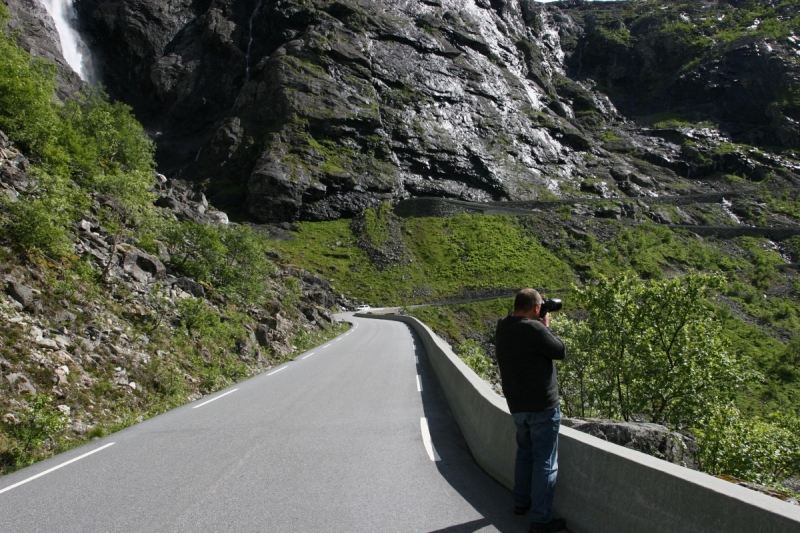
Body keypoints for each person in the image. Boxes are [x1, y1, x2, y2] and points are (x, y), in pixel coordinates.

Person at [495, 289, 567, 533]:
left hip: (517, 406)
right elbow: (560, 350)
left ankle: (520, 503)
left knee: (525, 454)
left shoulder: (503, 326)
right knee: (546, 461)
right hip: (542, 407)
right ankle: (541, 519)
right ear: (537, 308)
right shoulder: (534, 329)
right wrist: (545, 327)